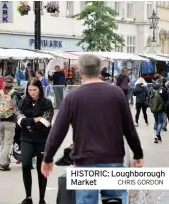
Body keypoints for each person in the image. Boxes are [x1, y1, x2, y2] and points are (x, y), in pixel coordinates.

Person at [41, 54, 144, 204]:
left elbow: (58, 131)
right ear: (99, 71)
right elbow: (129, 128)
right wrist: (138, 154)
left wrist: (47, 158)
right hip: (113, 159)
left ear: (81, 72)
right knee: (115, 199)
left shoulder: (73, 96)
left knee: (86, 200)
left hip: (84, 161)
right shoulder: (116, 94)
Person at [17, 77, 54, 204]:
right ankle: (28, 197)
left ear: (40, 89)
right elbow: (20, 120)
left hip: (42, 139)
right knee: (25, 164)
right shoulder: (23, 102)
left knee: (41, 168)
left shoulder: (47, 103)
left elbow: (46, 122)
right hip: (26, 138)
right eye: (29, 90)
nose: (32, 92)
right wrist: (35, 119)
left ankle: (42, 198)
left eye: (34, 89)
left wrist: (29, 123)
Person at [0, 75, 22, 171]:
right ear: (12, 83)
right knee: (8, 143)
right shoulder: (15, 93)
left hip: (0, 121)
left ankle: (6, 163)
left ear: (4, 82)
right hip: (11, 121)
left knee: (3, 142)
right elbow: (20, 106)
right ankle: (3, 163)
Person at [149, 78, 168, 143]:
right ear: (161, 83)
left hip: (154, 108)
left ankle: (158, 136)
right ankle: (157, 135)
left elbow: (149, 98)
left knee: (156, 121)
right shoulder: (164, 90)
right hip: (161, 108)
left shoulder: (151, 89)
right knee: (160, 122)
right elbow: (166, 100)